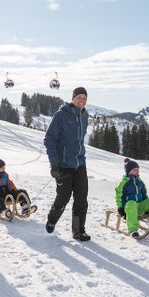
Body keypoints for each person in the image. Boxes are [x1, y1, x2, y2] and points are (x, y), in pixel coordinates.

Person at [43, 87, 91, 241]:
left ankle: (78, 231)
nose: (82, 101)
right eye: (79, 97)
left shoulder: (85, 115)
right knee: (63, 198)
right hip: (64, 165)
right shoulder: (61, 115)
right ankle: (52, 219)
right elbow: (49, 139)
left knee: (81, 199)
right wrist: (54, 164)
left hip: (80, 163)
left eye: (84, 98)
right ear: (73, 98)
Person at [115, 158, 149, 239]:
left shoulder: (140, 181)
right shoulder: (123, 182)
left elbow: (144, 194)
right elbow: (118, 196)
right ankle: (133, 230)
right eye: (135, 169)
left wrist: (147, 206)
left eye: (138, 169)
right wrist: (120, 208)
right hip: (129, 207)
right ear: (129, 171)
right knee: (131, 203)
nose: (137, 171)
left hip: (140, 206)